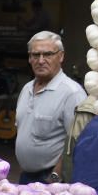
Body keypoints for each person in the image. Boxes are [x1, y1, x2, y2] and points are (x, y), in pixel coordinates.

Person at [15, 31, 86, 183]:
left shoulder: (72, 93)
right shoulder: (27, 88)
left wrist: (55, 177)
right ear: (29, 58)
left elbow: (77, 143)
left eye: (47, 54)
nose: (41, 60)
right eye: (35, 55)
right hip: (26, 176)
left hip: (50, 179)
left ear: (60, 56)